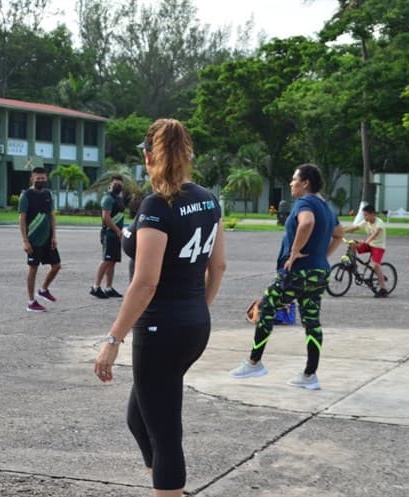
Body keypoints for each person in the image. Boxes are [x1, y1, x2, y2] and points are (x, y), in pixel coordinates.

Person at [94, 119, 226, 497]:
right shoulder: (208, 199)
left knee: (165, 432)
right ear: (188, 155)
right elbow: (218, 266)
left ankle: (169, 488)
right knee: (140, 419)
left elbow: (145, 282)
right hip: (193, 324)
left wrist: (113, 339)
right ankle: (169, 487)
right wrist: (199, 308)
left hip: (161, 331)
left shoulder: (157, 206)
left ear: (148, 157)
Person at [230, 164, 344, 389]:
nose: (291, 183)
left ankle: (254, 362)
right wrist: (321, 256)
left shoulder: (305, 202)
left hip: (298, 271)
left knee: (266, 307)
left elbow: (307, 222)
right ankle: (310, 375)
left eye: (294, 179)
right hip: (319, 271)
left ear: (305, 183)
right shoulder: (326, 206)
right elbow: (339, 234)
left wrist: (294, 252)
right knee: (311, 321)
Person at [18, 167, 61, 312]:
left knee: (56, 266)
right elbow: (22, 219)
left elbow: (52, 216)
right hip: (33, 239)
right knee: (33, 268)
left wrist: (54, 236)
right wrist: (25, 240)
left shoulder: (48, 194)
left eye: (43, 178)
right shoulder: (26, 195)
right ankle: (31, 302)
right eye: (38, 178)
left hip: (48, 239)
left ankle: (43, 290)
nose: (40, 181)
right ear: (32, 179)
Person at [90, 175, 126, 299]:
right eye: (115, 184)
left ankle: (109, 287)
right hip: (109, 234)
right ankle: (96, 287)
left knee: (112, 261)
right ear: (110, 185)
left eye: (120, 184)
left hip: (116, 234)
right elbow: (106, 217)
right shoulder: (108, 198)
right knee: (106, 260)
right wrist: (117, 230)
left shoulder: (119, 199)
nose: (118, 186)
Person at [344, 204, 388, 296]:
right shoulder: (366, 222)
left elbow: (375, 234)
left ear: (373, 214)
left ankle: (383, 289)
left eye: (366, 215)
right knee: (352, 244)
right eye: (364, 215)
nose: (365, 217)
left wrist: (366, 242)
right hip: (369, 244)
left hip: (378, 246)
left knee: (375, 266)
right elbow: (355, 228)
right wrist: (342, 231)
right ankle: (353, 265)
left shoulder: (379, 223)